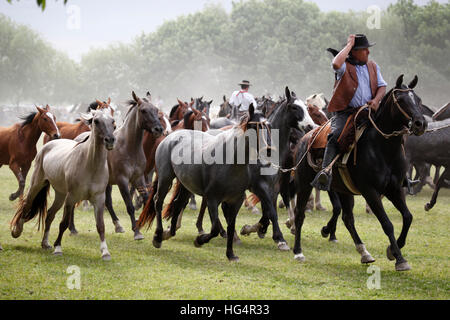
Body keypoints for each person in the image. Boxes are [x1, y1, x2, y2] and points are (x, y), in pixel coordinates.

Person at [311, 34, 387, 191]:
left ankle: (401, 176)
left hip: (369, 111)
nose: (368, 52)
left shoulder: (373, 66)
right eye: (364, 49)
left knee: (390, 130)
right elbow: (335, 64)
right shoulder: (344, 66)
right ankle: (325, 173)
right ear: (354, 51)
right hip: (346, 113)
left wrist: (376, 100)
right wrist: (349, 45)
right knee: (336, 135)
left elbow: (382, 86)